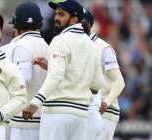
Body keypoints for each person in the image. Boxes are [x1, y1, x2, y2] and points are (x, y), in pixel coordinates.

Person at [22, 1, 105, 140]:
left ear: (74, 19)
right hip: (80, 115)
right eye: (56, 14)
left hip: (57, 113)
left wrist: (34, 103)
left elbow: (56, 75)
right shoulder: (92, 45)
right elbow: (96, 85)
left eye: (61, 15)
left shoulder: (60, 40)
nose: (56, 18)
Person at [1, 2, 48, 140]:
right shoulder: (47, 45)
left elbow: (24, 77)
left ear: (17, 24)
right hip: (42, 120)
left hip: (23, 121)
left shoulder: (21, 45)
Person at [83, 10, 125, 140]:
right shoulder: (76, 46)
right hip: (87, 109)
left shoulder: (103, 47)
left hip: (105, 112)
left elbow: (119, 82)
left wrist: (106, 102)